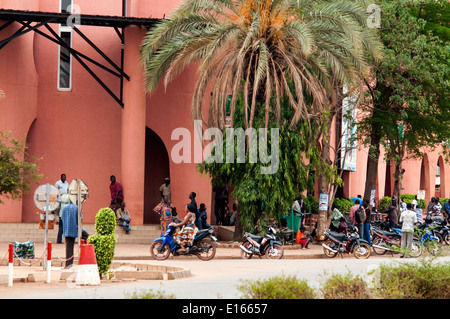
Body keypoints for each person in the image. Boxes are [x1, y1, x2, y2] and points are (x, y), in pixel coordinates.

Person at [61, 201, 81, 268]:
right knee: (71, 246)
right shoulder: (77, 207)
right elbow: (80, 219)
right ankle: (70, 264)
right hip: (74, 229)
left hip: (66, 229)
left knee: (68, 247)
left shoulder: (64, 207)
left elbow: (62, 217)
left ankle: (68, 264)